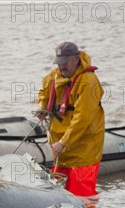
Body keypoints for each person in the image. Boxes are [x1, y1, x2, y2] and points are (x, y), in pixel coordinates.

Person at [36, 42, 105, 197]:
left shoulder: (88, 81)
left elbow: (83, 118)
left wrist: (64, 142)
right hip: (60, 149)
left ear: (75, 59)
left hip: (83, 150)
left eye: (65, 63)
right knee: (59, 193)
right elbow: (43, 93)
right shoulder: (53, 76)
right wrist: (43, 107)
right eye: (59, 63)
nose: (61, 67)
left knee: (83, 196)